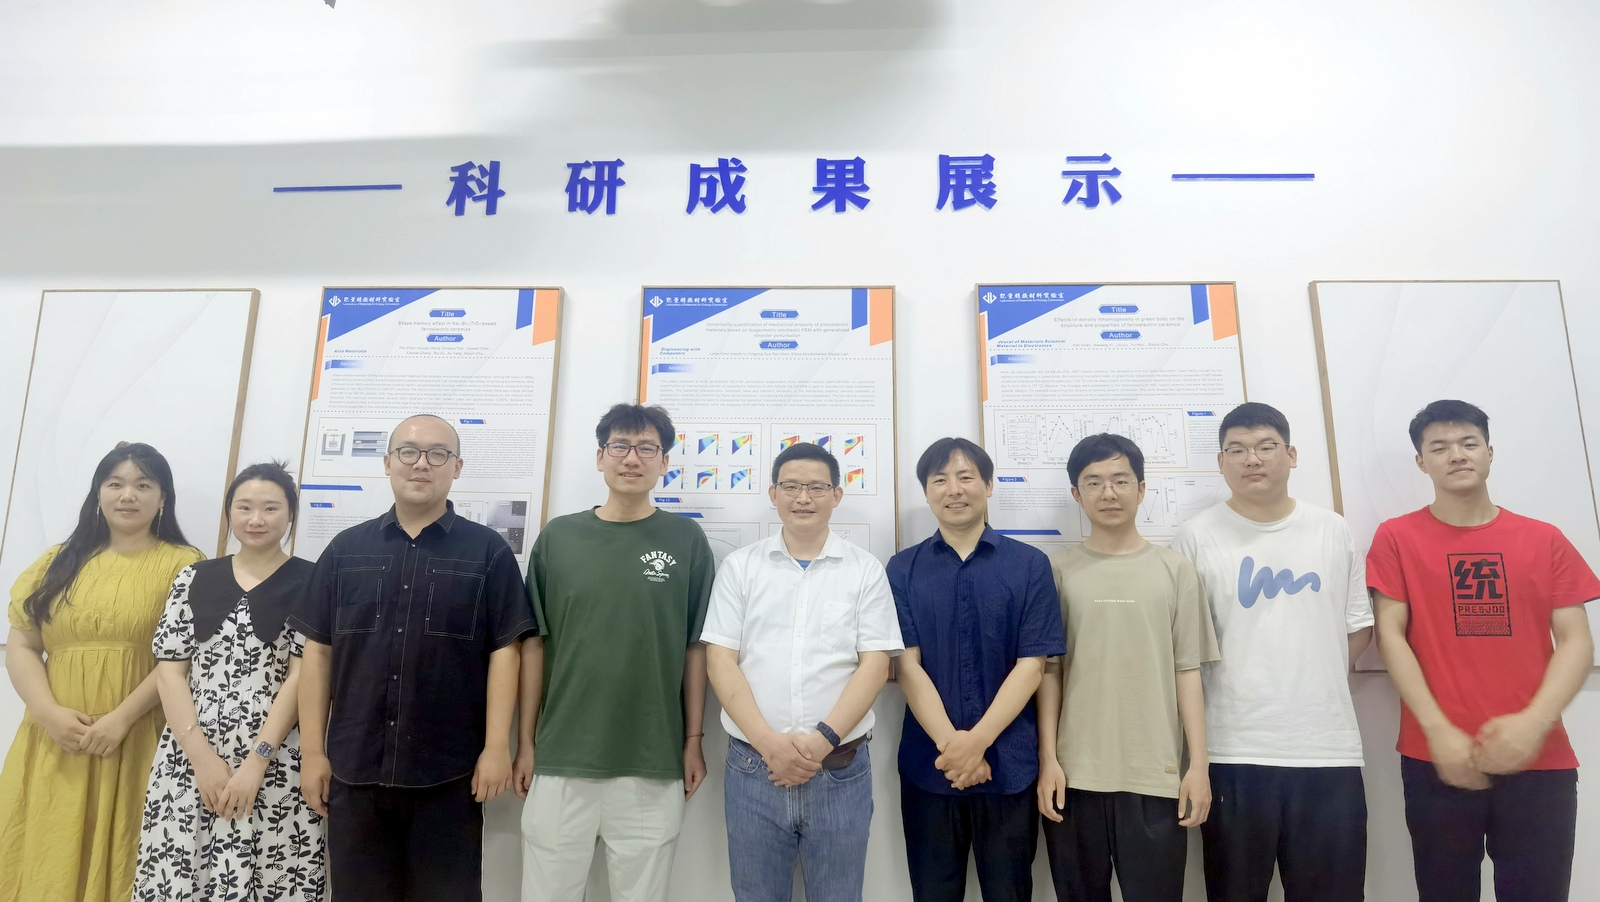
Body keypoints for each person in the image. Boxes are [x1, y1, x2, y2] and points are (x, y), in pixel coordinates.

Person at [291, 414, 535, 902]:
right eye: (408, 451)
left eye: (438, 454)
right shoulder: (344, 550)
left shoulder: (487, 551)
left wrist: (496, 747)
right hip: (355, 770)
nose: (422, 463)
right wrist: (313, 752)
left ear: (456, 467)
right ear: (387, 463)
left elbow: (505, 652)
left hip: (449, 775)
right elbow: (318, 653)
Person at [1369, 400, 1596, 902]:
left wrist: (1534, 722)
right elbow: (1390, 635)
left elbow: (1577, 640)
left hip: (1539, 757)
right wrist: (1437, 729)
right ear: (1421, 462)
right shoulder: (1396, 538)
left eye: (1469, 443)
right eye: (1439, 447)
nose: (1456, 455)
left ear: (1490, 453)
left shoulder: (1545, 539)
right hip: (1437, 757)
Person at [1170, 402, 1374, 902]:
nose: (1252, 459)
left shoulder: (1331, 529)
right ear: (1221, 462)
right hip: (1233, 751)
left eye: (1265, 447)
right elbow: (1183, 650)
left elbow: (1357, 627)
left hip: (1327, 751)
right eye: (1237, 450)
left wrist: (1311, 675)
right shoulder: (1196, 537)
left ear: (1292, 454)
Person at [519, 403, 715, 902]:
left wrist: (693, 740)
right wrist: (524, 742)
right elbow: (534, 644)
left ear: (664, 461)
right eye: (620, 446)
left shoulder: (686, 539)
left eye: (647, 448)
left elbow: (695, 648)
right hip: (561, 757)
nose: (632, 458)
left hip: (652, 758)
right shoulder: (558, 537)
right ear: (600, 457)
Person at [0, 442, 203, 902]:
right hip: (55, 739)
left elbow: (182, 657)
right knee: (45, 859)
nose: (128, 495)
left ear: (163, 498)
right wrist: (48, 713)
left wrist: (120, 720)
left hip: (136, 737)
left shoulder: (185, 564)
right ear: (98, 493)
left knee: (128, 858)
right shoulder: (56, 561)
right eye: (115, 484)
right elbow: (23, 644)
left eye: (143, 485)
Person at [702, 441, 903, 902]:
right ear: (774, 494)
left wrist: (821, 741)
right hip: (753, 767)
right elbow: (720, 659)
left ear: (837, 495)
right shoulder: (740, 567)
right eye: (791, 486)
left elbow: (875, 665)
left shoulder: (865, 571)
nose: (803, 498)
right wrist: (769, 744)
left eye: (817, 487)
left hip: (839, 769)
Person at [133, 461, 326, 900]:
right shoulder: (194, 577)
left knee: (273, 877)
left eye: (270, 508)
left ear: (291, 514)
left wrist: (256, 763)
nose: (256, 519)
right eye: (244, 507)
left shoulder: (313, 580)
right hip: (190, 753)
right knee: (181, 875)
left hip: (276, 757)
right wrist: (202, 759)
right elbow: (170, 670)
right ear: (229, 512)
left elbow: (302, 676)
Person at [1038, 433, 1218, 902]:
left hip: (1155, 775)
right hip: (1074, 777)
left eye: (1120, 480)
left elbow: (1187, 672)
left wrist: (1198, 766)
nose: (1108, 493)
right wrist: (1048, 760)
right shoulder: (1055, 572)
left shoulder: (1175, 570)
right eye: (1093, 482)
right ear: (1076, 494)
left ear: (1141, 489)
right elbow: (1049, 673)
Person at [890, 437, 1066, 902]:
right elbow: (907, 667)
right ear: (926, 492)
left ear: (988, 485)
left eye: (966, 477)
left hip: (1010, 767)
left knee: (1010, 892)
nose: (954, 489)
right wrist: (956, 749)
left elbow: (1033, 665)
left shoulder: (1029, 565)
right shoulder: (902, 569)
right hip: (930, 768)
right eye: (940, 479)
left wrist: (978, 743)